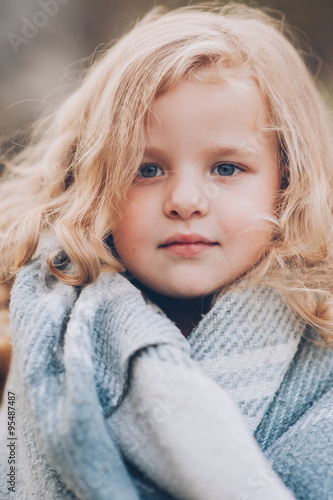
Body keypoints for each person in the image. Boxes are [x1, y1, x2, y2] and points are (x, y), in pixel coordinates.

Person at [0, 3, 332, 499]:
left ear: (289, 180)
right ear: (92, 180)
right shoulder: (40, 342)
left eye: (226, 168)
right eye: (147, 170)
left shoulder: (323, 349)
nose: (184, 202)